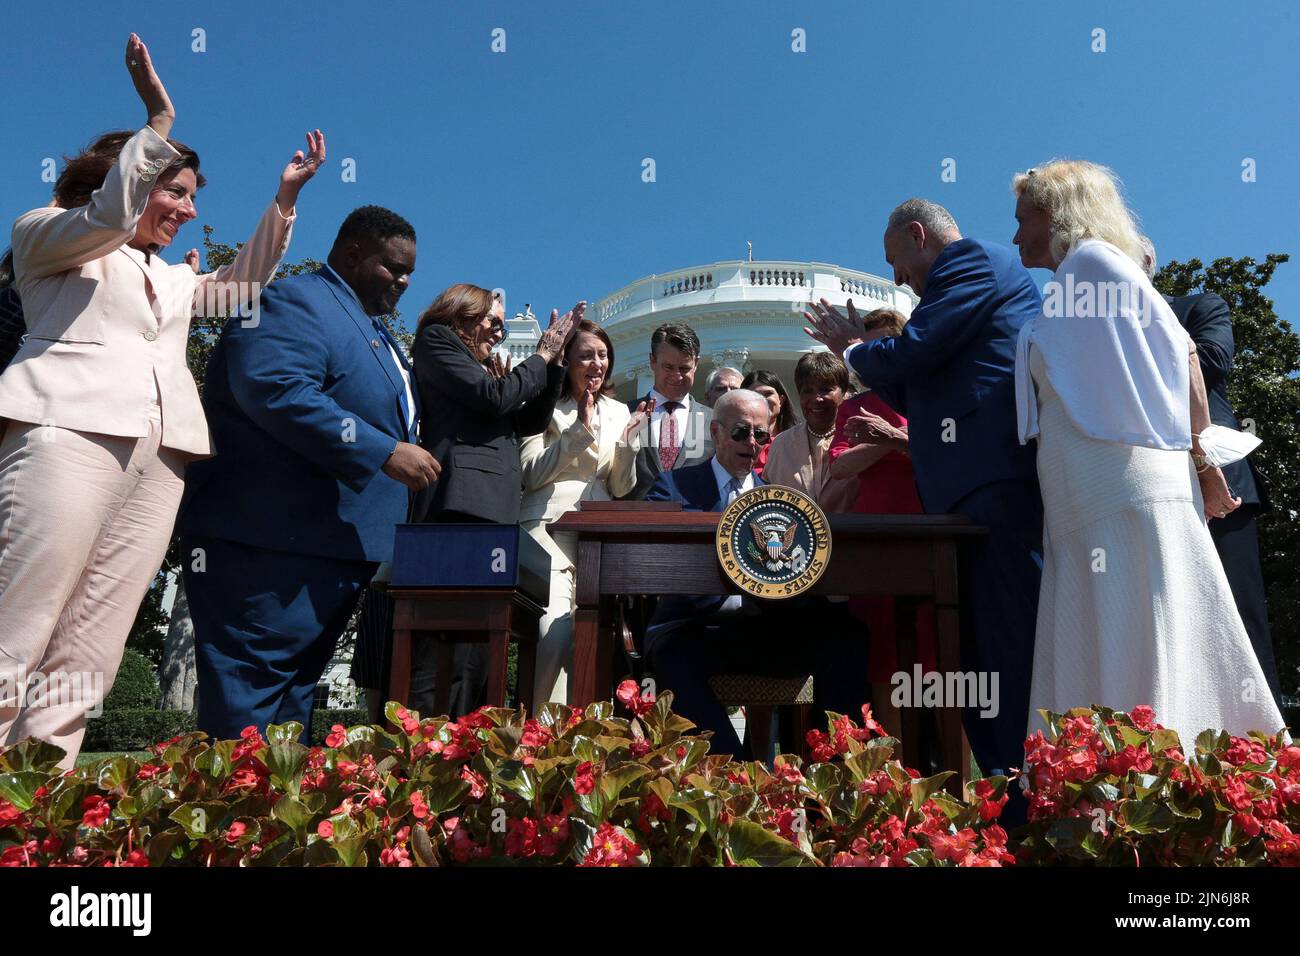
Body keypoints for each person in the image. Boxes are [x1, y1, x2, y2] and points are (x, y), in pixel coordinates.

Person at [0, 35, 317, 765]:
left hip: (160, 457)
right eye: (174, 190)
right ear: (128, 175)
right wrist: (159, 121)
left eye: (191, 198)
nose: (182, 208)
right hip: (66, 433)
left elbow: (241, 287)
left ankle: (36, 802)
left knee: (93, 643)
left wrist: (284, 201)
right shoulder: (46, 235)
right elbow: (105, 220)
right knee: (21, 622)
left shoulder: (174, 280)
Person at [1010, 161, 1283, 746]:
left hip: (1119, 492)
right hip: (1089, 501)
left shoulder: (1091, 262)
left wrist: (1206, 465)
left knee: (1137, 627)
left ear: (1057, 210)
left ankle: (1161, 774)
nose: (1015, 237)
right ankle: (1105, 783)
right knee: (1107, 629)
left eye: (1023, 219)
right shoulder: (1077, 275)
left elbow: (1184, 354)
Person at [803, 198, 1045, 820]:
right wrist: (865, 354)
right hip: (965, 496)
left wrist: (856, 349)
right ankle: (1003, 805)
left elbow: (914, 352)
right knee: (976, 659)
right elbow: (913, 380)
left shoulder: (971, 261)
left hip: (991, 486)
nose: (897, 278)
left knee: (1007, 651)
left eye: (895, 261)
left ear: (919, 235)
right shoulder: (954, 290)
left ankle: (1031, 805)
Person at [180, 205, 429, 742]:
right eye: (393, 267)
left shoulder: (369, 327)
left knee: (290, 710)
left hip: (326, 549)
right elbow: (276, 388)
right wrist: (384, 449)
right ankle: (228, 819)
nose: (404, 282)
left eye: (410, 272)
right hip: (270, 544)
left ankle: (269, 822)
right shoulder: (294, 301)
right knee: (247, 705)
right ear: (353, 252)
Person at [643, 389, 870, 757]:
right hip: (694, 629)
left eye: (760, 435)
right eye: (740, 433)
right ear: (715, 433)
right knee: (675, 657)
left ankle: (829, 778)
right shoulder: (674, 486)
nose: (752, 442)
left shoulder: (778, 500)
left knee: (847, 636)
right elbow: (653, 557)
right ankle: (734, 779)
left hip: (765, 628)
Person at [406, 285, 582, 716]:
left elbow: (527, 420)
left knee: (479, 650)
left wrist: (554, 366)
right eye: (494, 322)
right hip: (460, 507)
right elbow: (495, 399)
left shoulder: (483, 368)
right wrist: (540, 355)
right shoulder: (437, 340)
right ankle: (423, 745)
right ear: (463, 312)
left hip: (492, 510)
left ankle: (465, 746)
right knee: (441, 647)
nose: (498, 334)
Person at [1141, 238, 1283, 712]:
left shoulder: (1200, 305)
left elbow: (1215, 361)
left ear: (1143, 263)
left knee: (1241, 619)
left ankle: (1269, 756)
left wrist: (1144, 335)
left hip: (1223, 485)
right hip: (1147, 486)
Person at [520, 320, 650, 703]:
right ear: (567, 360)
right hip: (548, 531)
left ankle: (587, 740)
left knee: (594, 638)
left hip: (597, 538)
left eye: (603, 355)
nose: (597, 364)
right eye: (586, 355)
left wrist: (628, 444)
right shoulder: (543, 404)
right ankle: (544, 737)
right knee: (554, 635)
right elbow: (531, 473)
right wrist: (579, 429)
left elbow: (621, 486)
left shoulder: (618, 410)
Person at [827, 307, 937, 738]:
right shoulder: (853, 406)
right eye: (867, 348)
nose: (876, 357)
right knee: (884, 660)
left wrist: (889, 436)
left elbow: (949, 455)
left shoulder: (928, 395)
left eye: (884, 347)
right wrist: (887, 440)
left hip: (932, 543)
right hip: (875, 546)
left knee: (940, 662)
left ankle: (960, 783)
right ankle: (896, 776)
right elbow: (840, 467)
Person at [623, 323, 713, 499]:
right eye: (668, 367)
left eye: (684, 368)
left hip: (693, 523)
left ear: (696, 364)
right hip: (635, 521)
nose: (677, 376)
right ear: (652, 361)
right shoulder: (624, 413)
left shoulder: (713, 420)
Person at [761, 351, 856, 512]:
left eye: (826, 389)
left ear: (844, 392)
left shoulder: (859, 438)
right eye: (807, 391)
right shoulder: (781, 444)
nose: (817, 398)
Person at [741, 368, 795, 474]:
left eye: (768, 394)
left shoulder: (798, 439)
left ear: (781, 400)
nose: (762, 400)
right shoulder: (736, 442)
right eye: (755, 395)